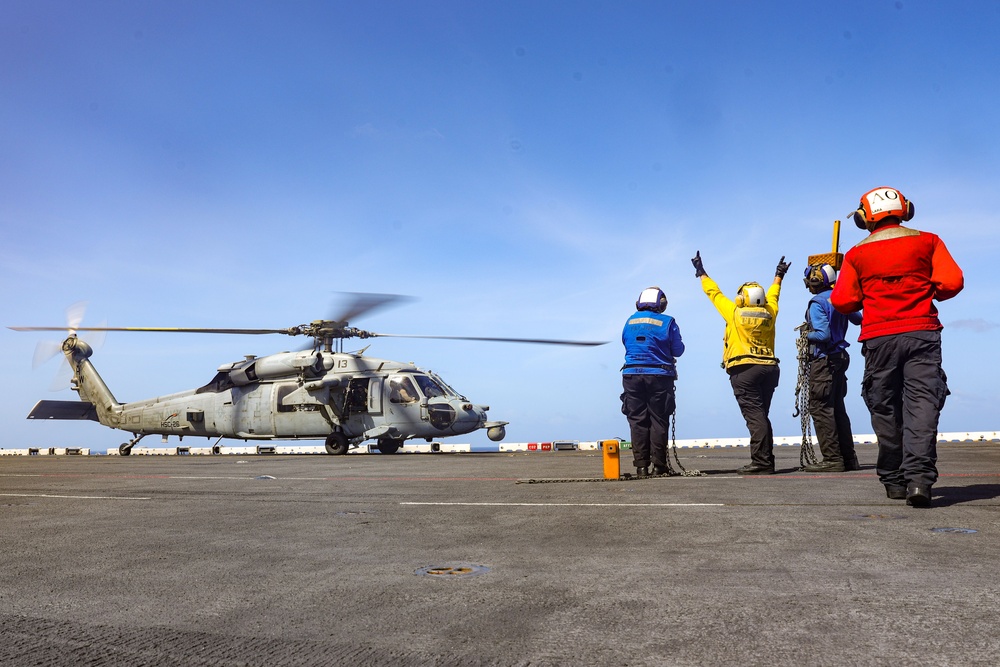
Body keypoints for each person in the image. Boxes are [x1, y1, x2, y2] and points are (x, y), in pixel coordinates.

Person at [831, 186, 964, 507]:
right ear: (906, 209)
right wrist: (923, 291)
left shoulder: (857, 253)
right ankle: (919, 480)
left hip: (879, 339)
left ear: (864, 218)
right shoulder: (928, 240)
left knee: (884, 405)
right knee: (923, 404)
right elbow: (953, 282)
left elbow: (843, 301)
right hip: (923, 333)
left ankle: (893, 478)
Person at [692, 251, 788, 474]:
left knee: (755, 417)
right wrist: (778, 276)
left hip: (745, 370)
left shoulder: (735, 312)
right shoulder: (770, 312)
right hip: (770, 368)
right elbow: (775, 295)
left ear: (741, 298)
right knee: (762, 415)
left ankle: (762, 463)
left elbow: (713, 293)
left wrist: (701, 273)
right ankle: (766, 460)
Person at [800, 263, 862, 472]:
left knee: (821, 408)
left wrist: (805, 335)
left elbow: (823, 335)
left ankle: (833, 459)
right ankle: (849, 458)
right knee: (838, 408)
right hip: (840, 358)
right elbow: (857, 318)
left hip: (824, 360)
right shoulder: (839, 296)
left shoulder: (817, 303)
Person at [621, 286, 685, 477]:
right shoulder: (668, 322)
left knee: (637, 421)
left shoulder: (629, 321)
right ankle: (659, 466)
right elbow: (678, 350)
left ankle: (641, 467)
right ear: (662, 304)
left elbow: (625, 342)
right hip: (659, 376)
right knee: (659, 419)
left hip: (631, 376)